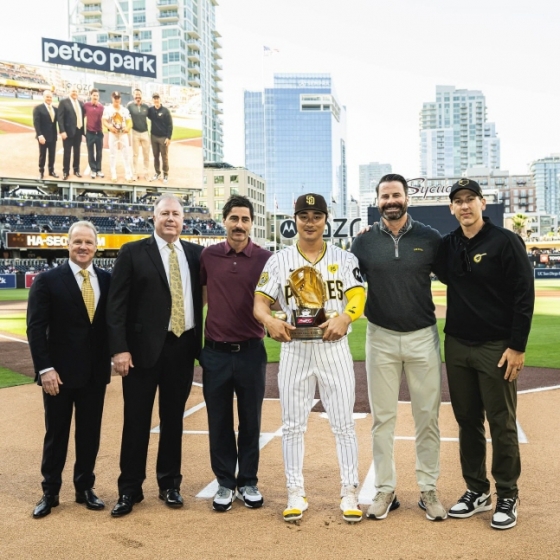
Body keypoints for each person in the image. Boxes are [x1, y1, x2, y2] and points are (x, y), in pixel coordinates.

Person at [254, 193, 366, 523]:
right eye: (304, 215)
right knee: (292, 425)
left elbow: (358, 296)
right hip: (295, 349)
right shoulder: (278, 260)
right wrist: (270, 320)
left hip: (333, 349)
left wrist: (346, 318)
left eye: (316, 215)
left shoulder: (345, 259)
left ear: (325, 220)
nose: (310, 221)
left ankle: (349, 492)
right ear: (295, 220)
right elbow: (260, 302)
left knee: (344, 424)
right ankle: (295, 492)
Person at [435, 179, 535, 530]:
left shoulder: (506, 241)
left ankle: (507, 493)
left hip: (497, 346)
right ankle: (477, 490)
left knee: (501, 422)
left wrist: (517, 346)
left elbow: (525, 295)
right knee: (467, 421)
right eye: (458, 201)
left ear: (482, 203)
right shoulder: (448, 245)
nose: (464, 206)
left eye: (470, 200)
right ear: (451, 208)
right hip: (458, 344)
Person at [350, 173, 447, 522]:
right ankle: (385, 490)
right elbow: (348, 285)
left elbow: (458, 276)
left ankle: (428, 489)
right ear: (377, 201)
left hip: (423, 335)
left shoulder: (430, 237)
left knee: (427, 418)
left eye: (396, 195)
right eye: (385, 196)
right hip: (380, 336)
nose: (391, 201)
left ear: (407, 198)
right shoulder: (362, 243)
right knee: (383, 419)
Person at [107, 194, 203, 517]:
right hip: (140, 352)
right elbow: (116, 306)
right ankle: (129, 489)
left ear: (183, 219)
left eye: (176, 213)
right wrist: (119, 348)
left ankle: (169, 484)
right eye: (165, 213)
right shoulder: (133, 252)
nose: (171, 219)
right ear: (154, 217)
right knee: (136, 421)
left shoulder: (195, 254)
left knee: (173, 420)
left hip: (182, 347)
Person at [26, 221, 111, 518]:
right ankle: (50, 492)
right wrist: (45, 368)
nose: (83, 247)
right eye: (78, 242)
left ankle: (84, 487)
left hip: (94, 374)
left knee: (89, 434)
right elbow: (35, 329)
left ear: (96, 246)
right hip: (58, 375)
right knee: (57, 434)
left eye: (88, 242)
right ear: (68, 244)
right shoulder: (48, 280)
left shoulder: (107, 279)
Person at [200, 195, 272, 512]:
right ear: (224, 220)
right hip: (215, 352)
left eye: (245, 219)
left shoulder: (266, 258)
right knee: (219, 422)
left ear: (251, 223)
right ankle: (226, 483)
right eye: (234, 218)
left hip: (251, 351)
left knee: (251, 421)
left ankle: (248, 481)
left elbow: (278, 300)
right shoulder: (208, 256)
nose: (239, 225)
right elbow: (199, 297)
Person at [102, 91, 133, 183]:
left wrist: (128, 128)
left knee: (126, 154)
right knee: (112, 154)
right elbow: (104, 121)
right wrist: (110, 127)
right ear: (112, 98)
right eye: (115, 98)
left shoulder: (125, 110)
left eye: (118, 98)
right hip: (113, 133)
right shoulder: (108, 109)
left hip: (123, 133)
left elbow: (130, 122)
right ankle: (113, 174)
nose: (117, 100)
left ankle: (128, 174)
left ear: (120, 99)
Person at [57, 86, 84, 180]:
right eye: (73, 91)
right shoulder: (64, 102)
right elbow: (60, 118)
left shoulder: (80, 103)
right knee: (67, 152)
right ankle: (65, 172)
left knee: (77, 152)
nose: (74, 93)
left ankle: (76, 170)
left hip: (78, 131)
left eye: (76, 91)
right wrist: (62, 131)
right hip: (68, 132)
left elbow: (82, 116)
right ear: (69, 92)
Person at [32, 90, 59, 180]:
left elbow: (61, 121)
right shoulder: (38, 108)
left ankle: (51, 171)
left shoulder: (55, 109)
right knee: (42, 155)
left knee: (52, 155)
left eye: (50, 97)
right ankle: (41, 172)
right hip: (43, 137)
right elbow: (36, 123)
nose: (49, 98)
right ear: (43, 97)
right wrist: (39, 135)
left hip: (53, 136)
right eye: (47, 97)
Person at [148, 93, 173, 184]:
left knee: (164, 157)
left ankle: (165, 174)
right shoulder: (151, 110)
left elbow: (170, 125)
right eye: (154, 98)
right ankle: (157, 173)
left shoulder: (165, 111)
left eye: (157, 98)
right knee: (155, 156)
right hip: (154, 136)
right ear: (153, 100)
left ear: (160, 99)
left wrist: (168, 137)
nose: (156, 100)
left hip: (163, 137)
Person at [127, 89, 151, 181]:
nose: (138, 97)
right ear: (134, 96)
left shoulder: (146, 107)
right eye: (136, 95)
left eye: (139, 95)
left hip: (145, 132)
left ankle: (146, 173)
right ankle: (134, 173)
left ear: (141, 96)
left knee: (146, 154)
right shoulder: (130, 106)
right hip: (135, 132)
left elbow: (152, 117)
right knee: (135, 154)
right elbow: (125, 117)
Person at [83, 88, 105, 179]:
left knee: (99, 152)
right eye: (94, 95)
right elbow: (81, 116)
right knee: (91, 152)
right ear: (91, 96)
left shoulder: (101, 107)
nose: (95, 97)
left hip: (99, 132)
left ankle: (98, 169)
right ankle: (93, 169)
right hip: (90, 133)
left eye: (97, 95)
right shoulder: (86, 106)